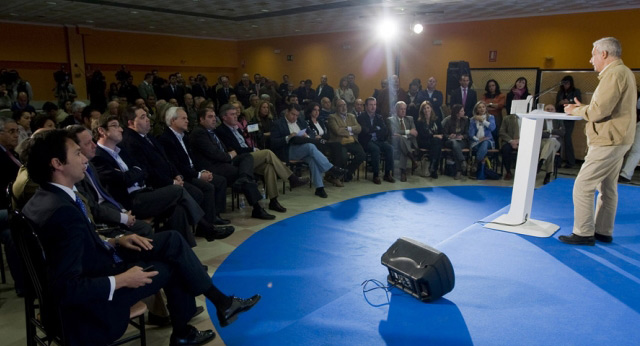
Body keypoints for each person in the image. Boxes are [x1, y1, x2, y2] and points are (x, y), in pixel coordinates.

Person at [22, 129, 260, 345]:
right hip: (91, 302)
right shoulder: (63, 213)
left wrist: (115, 241)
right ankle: (194, 325)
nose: (85, 158)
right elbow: (67, 287)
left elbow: (73, 248)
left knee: (172, 240)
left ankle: (220, 306)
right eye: (77, 153)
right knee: (175, 266)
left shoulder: (43, 199)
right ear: (57, 163)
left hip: (99, 260)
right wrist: (123, 280)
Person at [559, 37, 637, 246]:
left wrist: (577, 110)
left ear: (603, 54)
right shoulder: (624, 72)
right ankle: (603, 231)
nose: (590, 59)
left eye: (593, 54)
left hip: (608, 140)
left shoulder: (614, 74)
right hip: (619, 139)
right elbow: (606, 107)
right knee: (608, 188)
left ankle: (583, 233)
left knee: (583, 185)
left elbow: (598, 111)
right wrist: (585, 107)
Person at [216, 104, 309, 213]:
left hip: (249, 157)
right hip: (239, 160)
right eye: (232, 114)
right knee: (268, 153)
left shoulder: (237, 128)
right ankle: (292, 178)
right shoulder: (221, 131)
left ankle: (273, 201)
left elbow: (245, 144)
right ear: (224, 117)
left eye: (236, 113)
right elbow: (235, 149)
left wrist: (252, 149)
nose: (236, 116)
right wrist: (252, 149)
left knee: (268, 167)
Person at [189, 107, 275, 219]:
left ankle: (244, 177)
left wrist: (230, 153)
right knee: (241, 174)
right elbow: (214, 153)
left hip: (223, 162)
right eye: (210, 117)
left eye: (214, 116)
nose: (214, 119)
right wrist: (230, 155)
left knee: (247, 157)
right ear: (201, 119)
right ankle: (257, 208)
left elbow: (224, 149)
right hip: (212, 166)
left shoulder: (211, 132)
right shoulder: (199, 133)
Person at [270, 103, 347, 198]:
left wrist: (307, 136)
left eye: (297, 115)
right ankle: (330, 168)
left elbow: (312, 134)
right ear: (287, 112)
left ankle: (319, 188)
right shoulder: (278, 123)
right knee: (310, 147)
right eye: (292, 114)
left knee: (312, 159)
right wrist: (288, 137)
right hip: (288, 150)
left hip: (302, 147)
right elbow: (273, 142)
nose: (294, 117)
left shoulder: (300, 121)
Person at [357, 97, 395, 184]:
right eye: (370, 105)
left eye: (374, 104)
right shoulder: (361, 117)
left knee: (390, 148)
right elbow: (365, 131)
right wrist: (377, 129)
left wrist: (374, 131)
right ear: (366, 106)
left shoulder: (379, 117)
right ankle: (376, 175)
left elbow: (385, 130)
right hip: (366, 141)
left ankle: (387, 174)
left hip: (378, 140)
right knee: (375, 149)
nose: (373, 107)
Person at [327, 98, 366, 182]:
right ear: (336, 108)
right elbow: (337, 131)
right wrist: (351, 131)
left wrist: (348, 128)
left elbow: (359, 128)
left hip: (352, 141)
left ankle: (347, 172)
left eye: (344, 105)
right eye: (340, 106)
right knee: (344, 157)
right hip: (339, 142)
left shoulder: (351, 116)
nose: (343, 107)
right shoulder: (332, 117)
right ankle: (338, 174)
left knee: (362, 155)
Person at [555, 75, 582, 168]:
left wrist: (569, 102)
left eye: (567, 83)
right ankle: (557, 162)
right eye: (564, 83)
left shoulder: (576, 91)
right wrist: (560, 102)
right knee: (558, 138)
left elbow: (579, 103)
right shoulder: (560, 92)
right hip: (560, 116)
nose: (566, 85)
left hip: (570, 117)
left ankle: (570, 162)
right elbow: (556, 104)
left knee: (567, 138)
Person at [388, 101, 418, 182]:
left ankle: (403, 172)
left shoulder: (410, 119)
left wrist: (403, 134)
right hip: (396, 143)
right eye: (401, 109)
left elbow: (414, 132)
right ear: (396, 110)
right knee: (402, 141)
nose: (403, 111)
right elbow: (394, 131)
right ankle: (410, 163)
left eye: (404, 109)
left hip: (409, 142)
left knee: (403, 144)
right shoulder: (391, 120)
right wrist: (408, 132)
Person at [415, 101, 444, 179]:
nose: (426, 110)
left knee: (436, 142)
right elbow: (422, 135)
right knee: (437, 143)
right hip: (424, 142)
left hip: (435, 142)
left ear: (431, 108)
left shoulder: (436, 120)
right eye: (424, 108)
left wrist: (438, 136)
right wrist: (434, 135)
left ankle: (432, 166)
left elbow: (441, 131)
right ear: (422, 111)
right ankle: (434, 168)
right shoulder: (419, 121)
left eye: (428, 108)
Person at [468, 101, 496, 178]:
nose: (482, 109)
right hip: (476, 142)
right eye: (479, 107)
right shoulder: (472, 120)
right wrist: (477, 139)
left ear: (486, 108)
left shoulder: (490, 117)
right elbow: (471, 134)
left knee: (485, 143)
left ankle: (476, 163)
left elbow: (492, 128)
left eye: (483, 107)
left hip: (488, 141)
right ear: (476, 110)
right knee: (481, 147)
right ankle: (479, 166)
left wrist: (483, 120)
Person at [442, 104, 469, 180]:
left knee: (455, 148)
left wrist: (462, 136)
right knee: (454, 143)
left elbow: (467, 134)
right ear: (457, 113)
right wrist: (450, 136)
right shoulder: (448, 120)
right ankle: (462, 160)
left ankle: (458, 171)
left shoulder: (465, 120)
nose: (464, 112)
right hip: (450, 141)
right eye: (462, 111)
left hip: (461, 142)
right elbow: (444, 133)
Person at [539, 104, 564, 185]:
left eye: (551, 109)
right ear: (544, 111)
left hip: (556, 142)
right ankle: (548, 174)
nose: (549, 111)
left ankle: (542, 160)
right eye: (547, 109)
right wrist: (551, 134)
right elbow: (538, 132)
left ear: (555, 111)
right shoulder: (540, 120)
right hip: (543, 142)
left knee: (552, 142)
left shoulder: (558, 119)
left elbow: (562, 132)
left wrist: (548, 131)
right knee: (551, 149)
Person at [619, 94, 640, 182]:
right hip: (634, 122)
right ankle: (624, 173)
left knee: (635, 150)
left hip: (636, 122)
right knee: (631, 149)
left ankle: (626, 174)